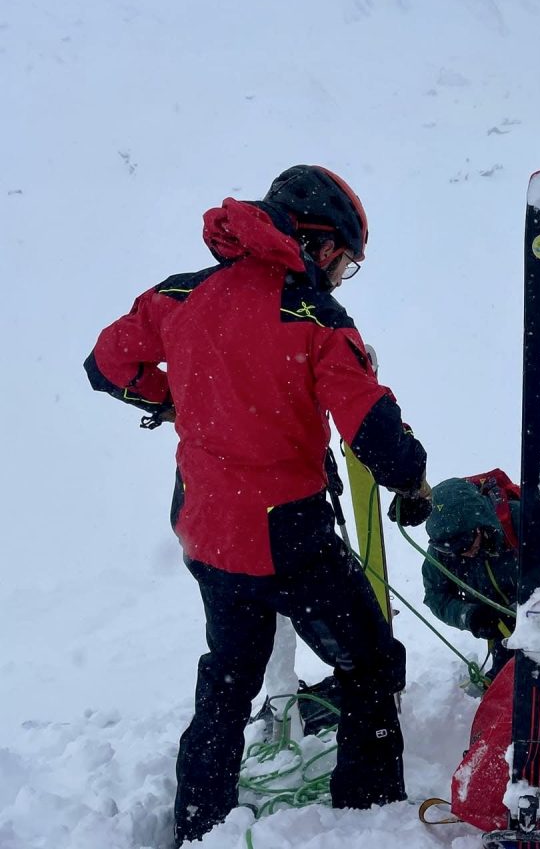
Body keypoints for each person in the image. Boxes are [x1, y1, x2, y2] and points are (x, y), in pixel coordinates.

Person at [84, 165, 432, 846]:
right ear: (321, 243)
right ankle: (369, 816)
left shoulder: (180, 295)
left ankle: (198, 821)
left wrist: (168, 398)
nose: (340, 278)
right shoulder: (315, 318)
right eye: (346, 264)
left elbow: (106, 364)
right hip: (290, 535)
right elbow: (374, 433)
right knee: (368, 661)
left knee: (228, 675)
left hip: (207, 530)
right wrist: (413, 481)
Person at [422, 472, 540, 682]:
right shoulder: (444, 550)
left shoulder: (521, 521)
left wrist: (536, 610)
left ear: (478, 524)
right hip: (502, 634)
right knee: (506, 685)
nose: (462, 553)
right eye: (449, 549)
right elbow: (435, 595)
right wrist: (471, 616)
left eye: (465, 543)